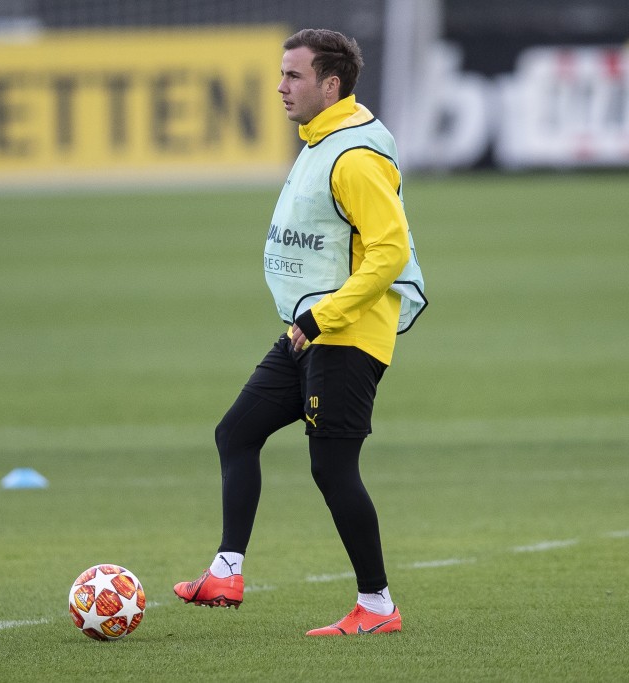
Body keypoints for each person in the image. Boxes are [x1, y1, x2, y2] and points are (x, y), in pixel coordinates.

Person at [173, 28, 427, 636]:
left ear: (330, 84)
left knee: (332, 468)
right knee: (237, 432)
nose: (281, 87)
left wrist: (322, 317)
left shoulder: (354, 157)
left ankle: (378, 606)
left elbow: (389, 255)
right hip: (311, 329)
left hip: (344, 333)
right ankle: (226, 572)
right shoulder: (321, 141)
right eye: (282, 74)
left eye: (294, 76)